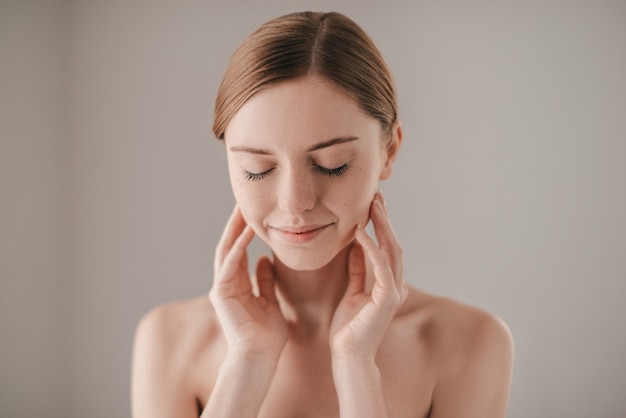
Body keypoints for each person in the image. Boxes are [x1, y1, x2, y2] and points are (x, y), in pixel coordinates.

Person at [131, 11, 514, 418]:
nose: (295, 202)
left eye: (331, 164)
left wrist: (356, 365)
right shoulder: (169, 340)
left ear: (390, 150)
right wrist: (247, 362)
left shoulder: (470, 344)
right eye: (257, 169)